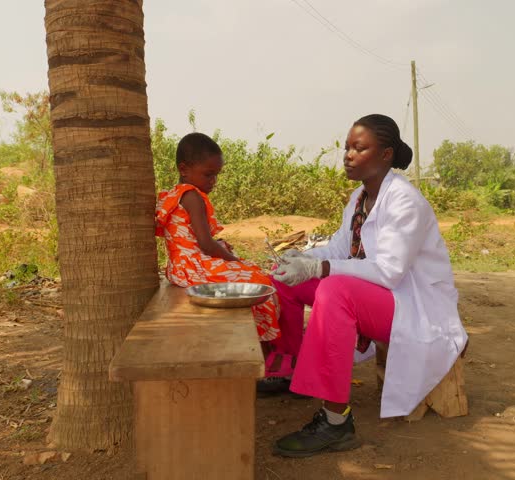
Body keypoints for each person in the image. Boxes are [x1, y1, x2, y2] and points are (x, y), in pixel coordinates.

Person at [269, 114, 468, 458]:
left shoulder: (404, 201)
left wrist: (321, 268)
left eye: (359, 148)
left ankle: (335, 423)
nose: (348, 155)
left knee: (334, 291)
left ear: (385, 154)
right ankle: (290, 370)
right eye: (347, 147)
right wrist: (302, 258)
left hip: (413, 306)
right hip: (382, 297)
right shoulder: (359, 198)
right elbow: (339, 248)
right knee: (282, 278)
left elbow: (390, 272)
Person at [155, 132, 294, 378]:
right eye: (209, 174)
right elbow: (206, 245)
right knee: (260, 281)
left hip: (180, 268)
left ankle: (264, 349)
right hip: (193, 268)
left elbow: (194, 239)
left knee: (251, 274)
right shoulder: (192, 196)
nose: (214, 181)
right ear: (184, 169)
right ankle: (263, 355)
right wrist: (235, 261)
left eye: (216, 175)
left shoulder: (175, 194)